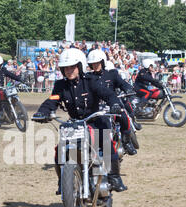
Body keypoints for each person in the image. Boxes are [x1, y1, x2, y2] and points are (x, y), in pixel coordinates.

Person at [32, 48, 128, 194]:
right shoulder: (60, 85)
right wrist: (42, 112)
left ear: (80, 66)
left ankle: (114, 177)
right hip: (75, 124)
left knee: (107, 144)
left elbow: (108, 94)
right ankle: (63, 180)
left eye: (72, 66)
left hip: (95, 120)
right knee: (60, 150)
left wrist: (114, 104)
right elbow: (52, 101)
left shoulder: (91, 81)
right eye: (66, 67)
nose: (69, 70)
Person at [87, 49, 142, 139]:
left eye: (97, 63)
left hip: (113, 104)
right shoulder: (89, 77)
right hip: (97, 107)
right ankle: (102, 145)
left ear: (102, 62)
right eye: (93, 64)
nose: (95, 65)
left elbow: (122, 83)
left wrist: (128, 89)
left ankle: (126, 139)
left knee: (123, 116)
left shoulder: (111, 74)